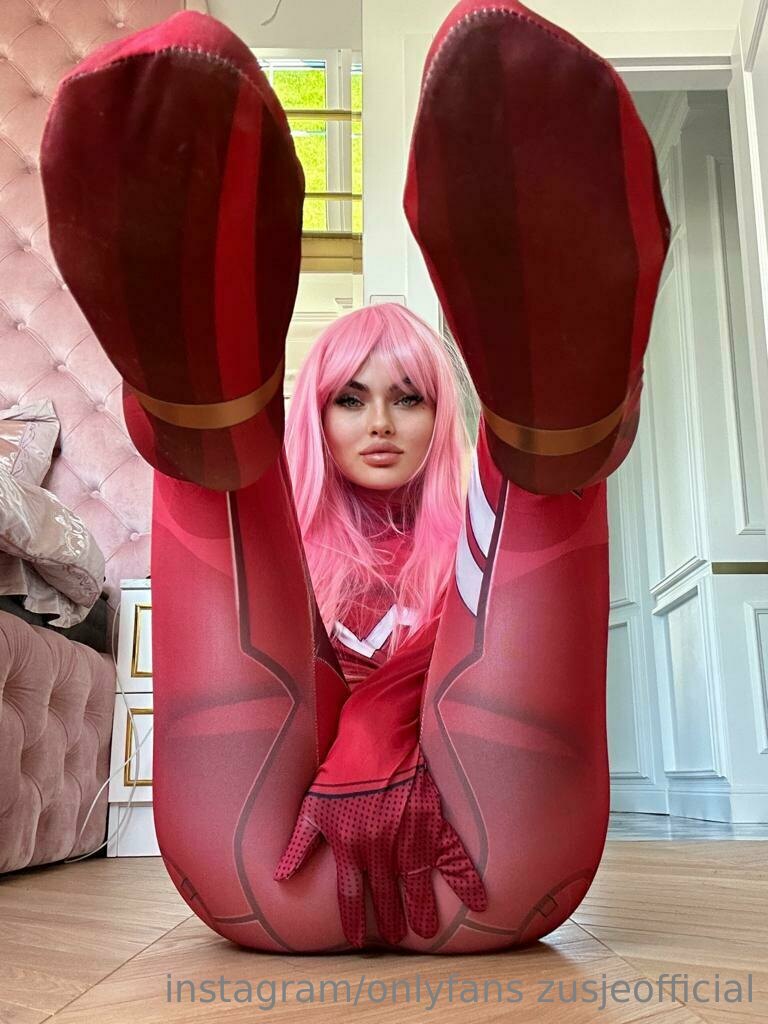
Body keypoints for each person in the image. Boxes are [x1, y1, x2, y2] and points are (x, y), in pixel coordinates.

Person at [40, 0, 670, 955]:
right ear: (318, 414)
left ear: (442, 413)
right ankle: (216, 414)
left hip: (477, 859)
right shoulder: (294, 554)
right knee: (253, 535)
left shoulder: (467, 547)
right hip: (285, 860)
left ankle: (540, 424)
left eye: (410, 397)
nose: (380, 422)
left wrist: (388, 732)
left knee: (511, 530)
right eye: (350, 398)